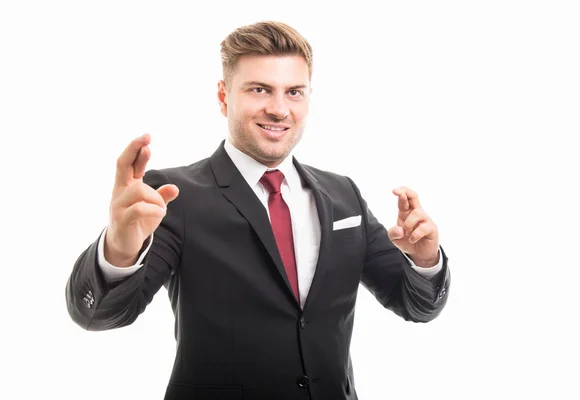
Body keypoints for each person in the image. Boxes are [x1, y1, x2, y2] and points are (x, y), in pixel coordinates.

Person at [65, 20, 451, 400]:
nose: (279, 109)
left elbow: (414, 306)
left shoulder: (343, 194)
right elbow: (98, 316)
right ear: (223, 96)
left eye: (294, 92)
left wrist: (425, 260)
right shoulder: (172, 195)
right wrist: (118, 248)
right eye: (260, 89)